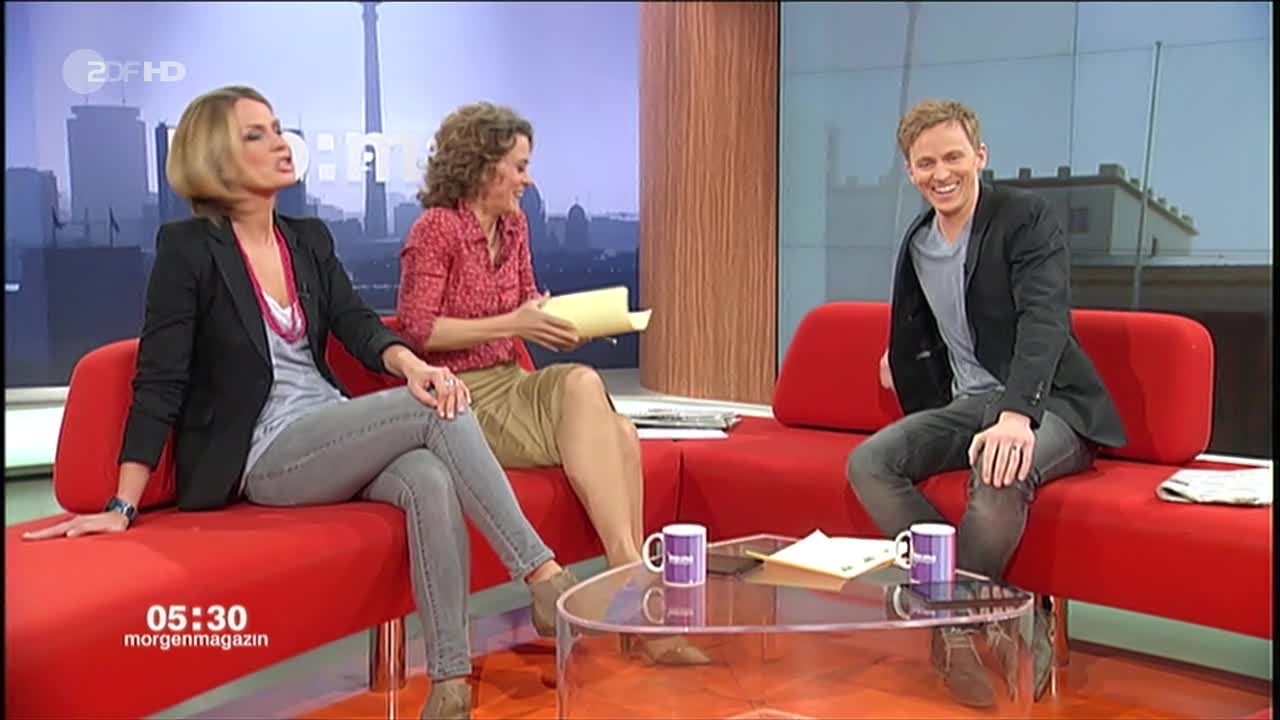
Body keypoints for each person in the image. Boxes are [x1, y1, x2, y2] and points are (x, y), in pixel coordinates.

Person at [22, 86, 579, 720]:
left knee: (428, 476)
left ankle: (450, 687)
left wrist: (412, 364)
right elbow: (159, 380)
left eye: (278, 128)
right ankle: (543, 576)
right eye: (256, 135)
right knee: (436, 407)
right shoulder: (189, 250)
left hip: (328, 427)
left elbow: (357, 324)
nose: (280, 143)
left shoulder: (307, 239)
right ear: (215, 158)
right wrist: (122, 505)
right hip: (267, 454)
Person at [396, 102, 708, 667]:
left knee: (612, 419)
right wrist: (514, 324)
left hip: (512, 378)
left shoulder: (514, 226)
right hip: (459, 396)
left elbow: (526, 305)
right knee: (604, 416)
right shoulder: (436, 229)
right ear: (482, 165)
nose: (528, 179)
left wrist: (557, 324)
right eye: (518, 167)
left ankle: (628, 586)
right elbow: (420, 329)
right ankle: (634, 586)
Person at [846, 99, 1127, 707]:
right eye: (925, 163)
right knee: (870, 463)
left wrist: (1017, 415)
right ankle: (976, 610)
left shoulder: (1024, 218)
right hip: (969, 401)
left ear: (980, 156)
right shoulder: (919, 241)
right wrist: (900, 357)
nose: (941, 173)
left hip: (1050, 403)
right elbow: (930, 321)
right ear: (910, 171)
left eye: (953, 157)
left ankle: (953, 624)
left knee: (1000, 469)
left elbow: (1044, 320)